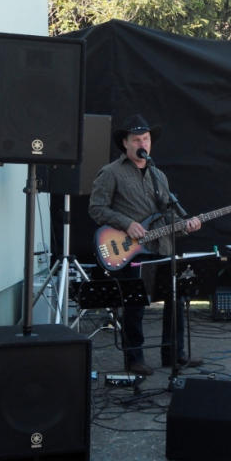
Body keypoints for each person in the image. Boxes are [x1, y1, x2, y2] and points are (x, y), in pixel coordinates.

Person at [89, 114, 202, 376]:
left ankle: (173, 354)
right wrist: (126, 223)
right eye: (137, 139)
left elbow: (166, 214)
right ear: (125, 143)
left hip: (161, 248)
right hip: (130, 251)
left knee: (176, 297)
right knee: (135, 304)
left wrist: (185, 224)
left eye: (147, 138)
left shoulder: (158, 175)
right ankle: (134, 359)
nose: (143, 143)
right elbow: (96, 208)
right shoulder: (111, 173)